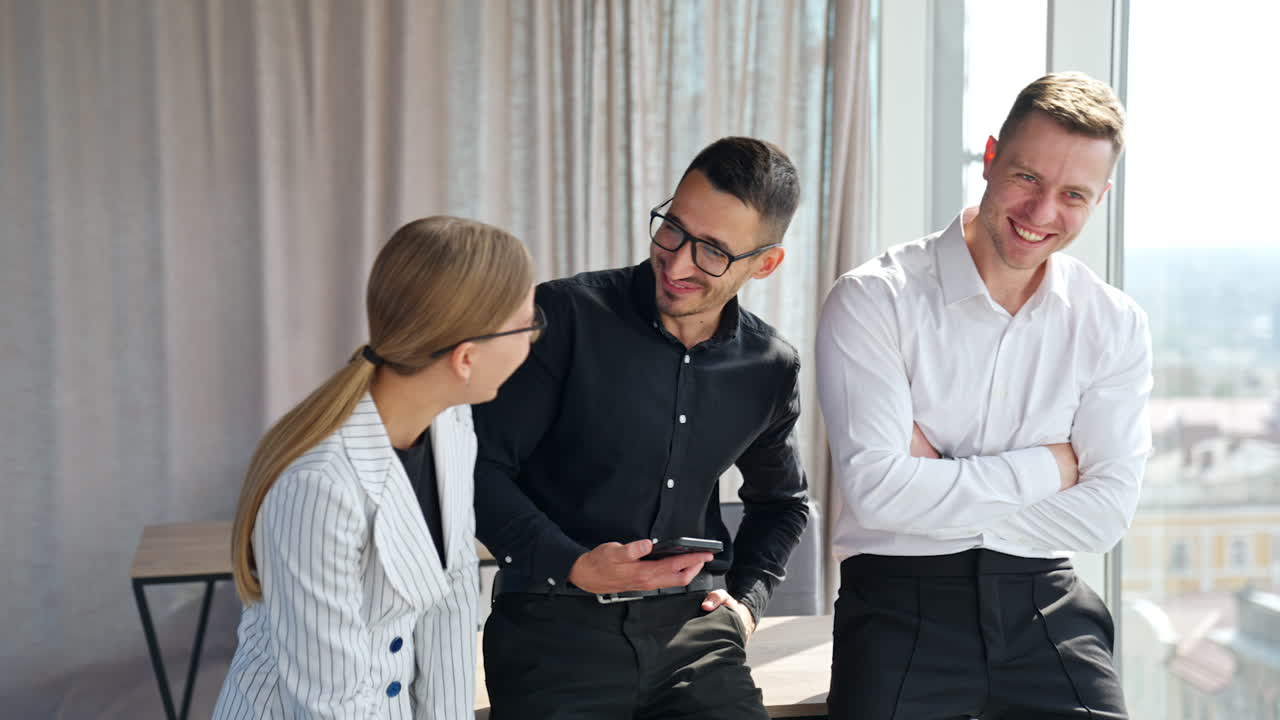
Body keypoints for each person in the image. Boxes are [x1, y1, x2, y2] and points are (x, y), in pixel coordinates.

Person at [817, 72, 1151, 720]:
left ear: (1101, 198)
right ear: (991, 156)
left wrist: (935, 481)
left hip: (1047, 602)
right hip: (898, 609)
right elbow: (876, 493)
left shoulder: (1114, 322)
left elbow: (1106, 515)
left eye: (1073, 194)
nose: (1043, 212)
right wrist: (1051, 467)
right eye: (1028, 177)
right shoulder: (873, 299)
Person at [472, 136, 810, 719]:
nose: (677, 262)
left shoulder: (769, 366)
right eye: (672, 228)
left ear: (765, 263)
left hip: (696, 636)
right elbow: (477, 470)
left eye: (713, 252)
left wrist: (747, 604)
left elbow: (783, 504)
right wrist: (574, 562)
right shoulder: (563, 317)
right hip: (552, 628)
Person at [212, 216, 542, 719]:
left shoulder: (451, 423)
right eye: (527, 324)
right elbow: (328, 703)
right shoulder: (320, 486)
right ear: (466, 357)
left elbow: (450, 602)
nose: (533, 340)